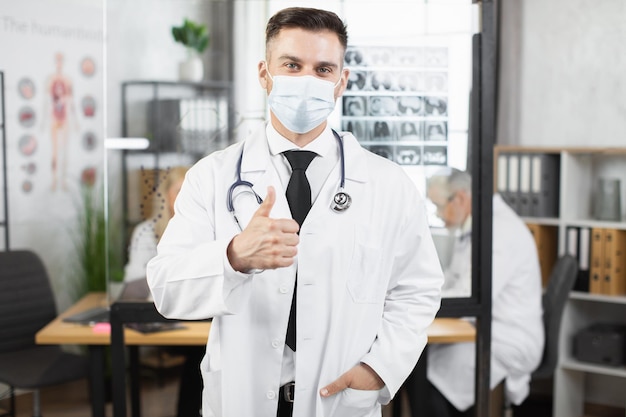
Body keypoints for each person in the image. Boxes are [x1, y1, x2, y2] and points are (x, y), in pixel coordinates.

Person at [147, 7, 444, 417]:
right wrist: (233, 256)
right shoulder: (211, 177)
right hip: (242, 399)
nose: (307, 80)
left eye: (323, 69)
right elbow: (165, 288)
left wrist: (379, 369)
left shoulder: (387, 185)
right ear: (264, 73)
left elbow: (417, 291)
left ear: (342, 82)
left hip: (340, 398)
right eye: (292, 65)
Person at [424, 168, 544, 416]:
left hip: (507, 338)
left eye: (438, 205)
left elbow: (471, 298)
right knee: (420, 362)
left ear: (460, 198)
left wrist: (420, 303)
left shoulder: (497, 230)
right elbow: (456, 281)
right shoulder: (476, 224)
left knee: (428, 378)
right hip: (485, 329)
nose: (437, 214)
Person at [124, 166, 204, 417]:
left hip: (197, 318)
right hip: (162, 319)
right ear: (166, 195)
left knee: (203, 351)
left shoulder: (204, 229)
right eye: (180, 190)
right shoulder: (146, 232)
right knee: (199, 354)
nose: (186, 196)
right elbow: (133, 283)